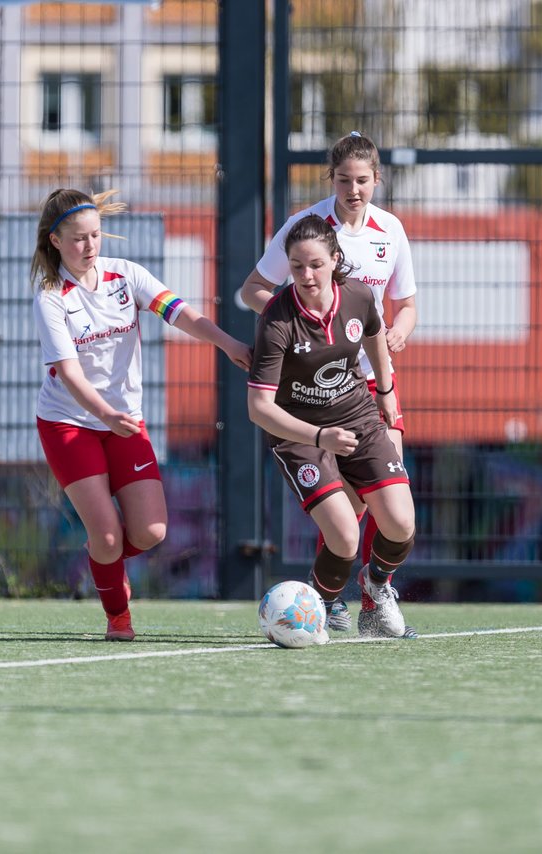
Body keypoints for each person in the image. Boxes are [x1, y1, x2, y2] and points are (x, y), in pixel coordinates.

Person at [32, 188, 251, 641]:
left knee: (150, 531)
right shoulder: (52, 296)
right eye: (78, 239)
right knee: (109, 538)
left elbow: (183, 315)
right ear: (55, 241)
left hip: (123, 420)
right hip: (68, 422)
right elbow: (70, 374)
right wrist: (105, 414)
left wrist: (228, 344)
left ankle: (104, 561)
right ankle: (118, 616)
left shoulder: (125, 275)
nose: (90, 246)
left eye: (95, 236)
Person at [239, 131, 418, 634]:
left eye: (363, 180)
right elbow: (255, 289)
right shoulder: (303, 233)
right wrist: (299, 329)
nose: (354, 189)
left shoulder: (382, 248)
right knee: (344, 525)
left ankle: (372, 592)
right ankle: (325, 604)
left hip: (359, 394)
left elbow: (391, 317)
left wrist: (390, 401)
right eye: (344, 180)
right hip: (302, 405)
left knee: (394, 517)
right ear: (332, 180)